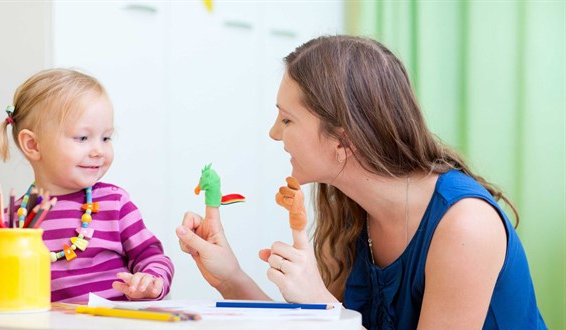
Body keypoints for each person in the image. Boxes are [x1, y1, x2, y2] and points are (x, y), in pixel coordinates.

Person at [176, 35, 546, 329]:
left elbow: (330, 319)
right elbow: (321, 325)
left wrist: (323, 304)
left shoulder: (466, 227)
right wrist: (231, 277)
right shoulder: (351, 208)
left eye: (287, 120)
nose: (274, 134)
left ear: (342, 139)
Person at [0, 68, 174, 308]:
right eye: (83, 137)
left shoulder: (114, 203)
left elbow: (152, 256)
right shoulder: (12, 219)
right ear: (33, 145)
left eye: (106, 138)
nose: (99, 150)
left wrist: (151, 281)